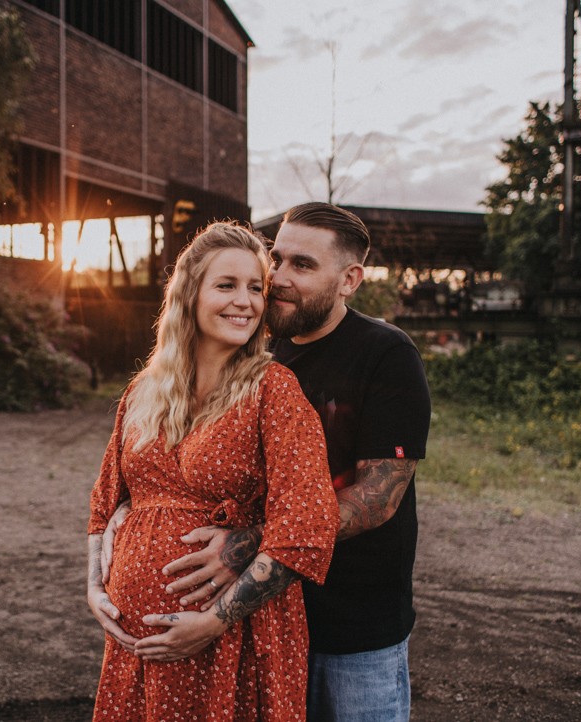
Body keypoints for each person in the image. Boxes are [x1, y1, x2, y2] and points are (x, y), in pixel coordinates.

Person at [101, 203, 431, 721]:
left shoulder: (384, 353)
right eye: (276, 259)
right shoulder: (253, 349)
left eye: (303, 265)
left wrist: (248, 543)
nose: (277, 277)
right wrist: (137, 511)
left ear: (349, 280)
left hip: (352, 620)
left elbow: (378, 497)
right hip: (263, 616)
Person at [86, 221, 340, 721]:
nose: (245, 302)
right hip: (135, 646)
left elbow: (306, 526)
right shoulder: (143, 392)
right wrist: (96, 588)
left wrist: (213, 622)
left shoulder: (274, 390)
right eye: (226, 285)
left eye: (255, 288)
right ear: (189, 295)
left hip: (232, 641)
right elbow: (104, 504)